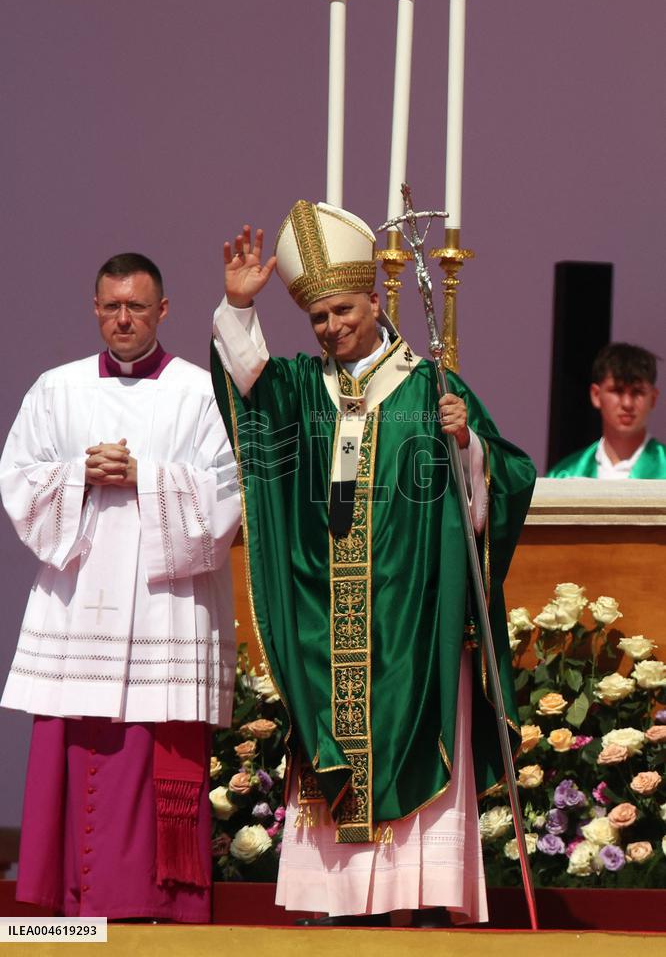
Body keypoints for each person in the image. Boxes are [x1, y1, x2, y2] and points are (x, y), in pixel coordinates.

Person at [211, 201, 536, 926]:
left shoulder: (430, 388)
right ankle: (338, 904)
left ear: (377, 298)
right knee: (335, 746)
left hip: (415, 622)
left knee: (415, 744)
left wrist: (467, 447)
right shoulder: (304, 389)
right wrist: (238, 308)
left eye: (342, 310)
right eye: (319, 317)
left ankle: (418, 902)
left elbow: (503, 483)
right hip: (329, 619)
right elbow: (249, 385)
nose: (331, 327)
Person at [0, 252, 241, 922]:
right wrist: (78, 472)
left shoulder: (199, 392)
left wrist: (148, 476)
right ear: (96, 310)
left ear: (163, 311)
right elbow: (17, 479)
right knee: (72, 751)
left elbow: (228, 493)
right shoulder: (58, 389)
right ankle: (67, 911)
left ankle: (160, 911)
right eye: (111, 307)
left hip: (164, 606)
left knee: (150, 752)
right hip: (80, 606)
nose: (123, 319)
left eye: (137, 306)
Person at [548, 342, 665, 479]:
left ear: (653, 398)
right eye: (617, 391)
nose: (627, 404)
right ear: (596, 395)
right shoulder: (564, 475)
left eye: (637, 392)